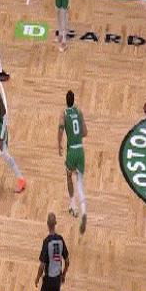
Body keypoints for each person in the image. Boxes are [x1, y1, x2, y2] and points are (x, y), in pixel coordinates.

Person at [58, 90, 87, 234]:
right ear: (74, 100)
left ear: (66, 100)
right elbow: (85, 132)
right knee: (80, 182)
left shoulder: (64, 113)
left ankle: (73, 205)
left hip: (72, 151)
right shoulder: (79, 112)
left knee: (69, 176)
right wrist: (77, 134)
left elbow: (60, 130)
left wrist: (59, 144)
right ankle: (84, 211)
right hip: (80, 150)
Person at [35, 212, 70, 291]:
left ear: (47, 224)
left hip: (48, 280)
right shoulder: (60, 239)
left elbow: (42, 266)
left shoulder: (47, 241)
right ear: (56, 223)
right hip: (57, 279)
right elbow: (67, 261)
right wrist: (64, 274)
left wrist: (37, 278)